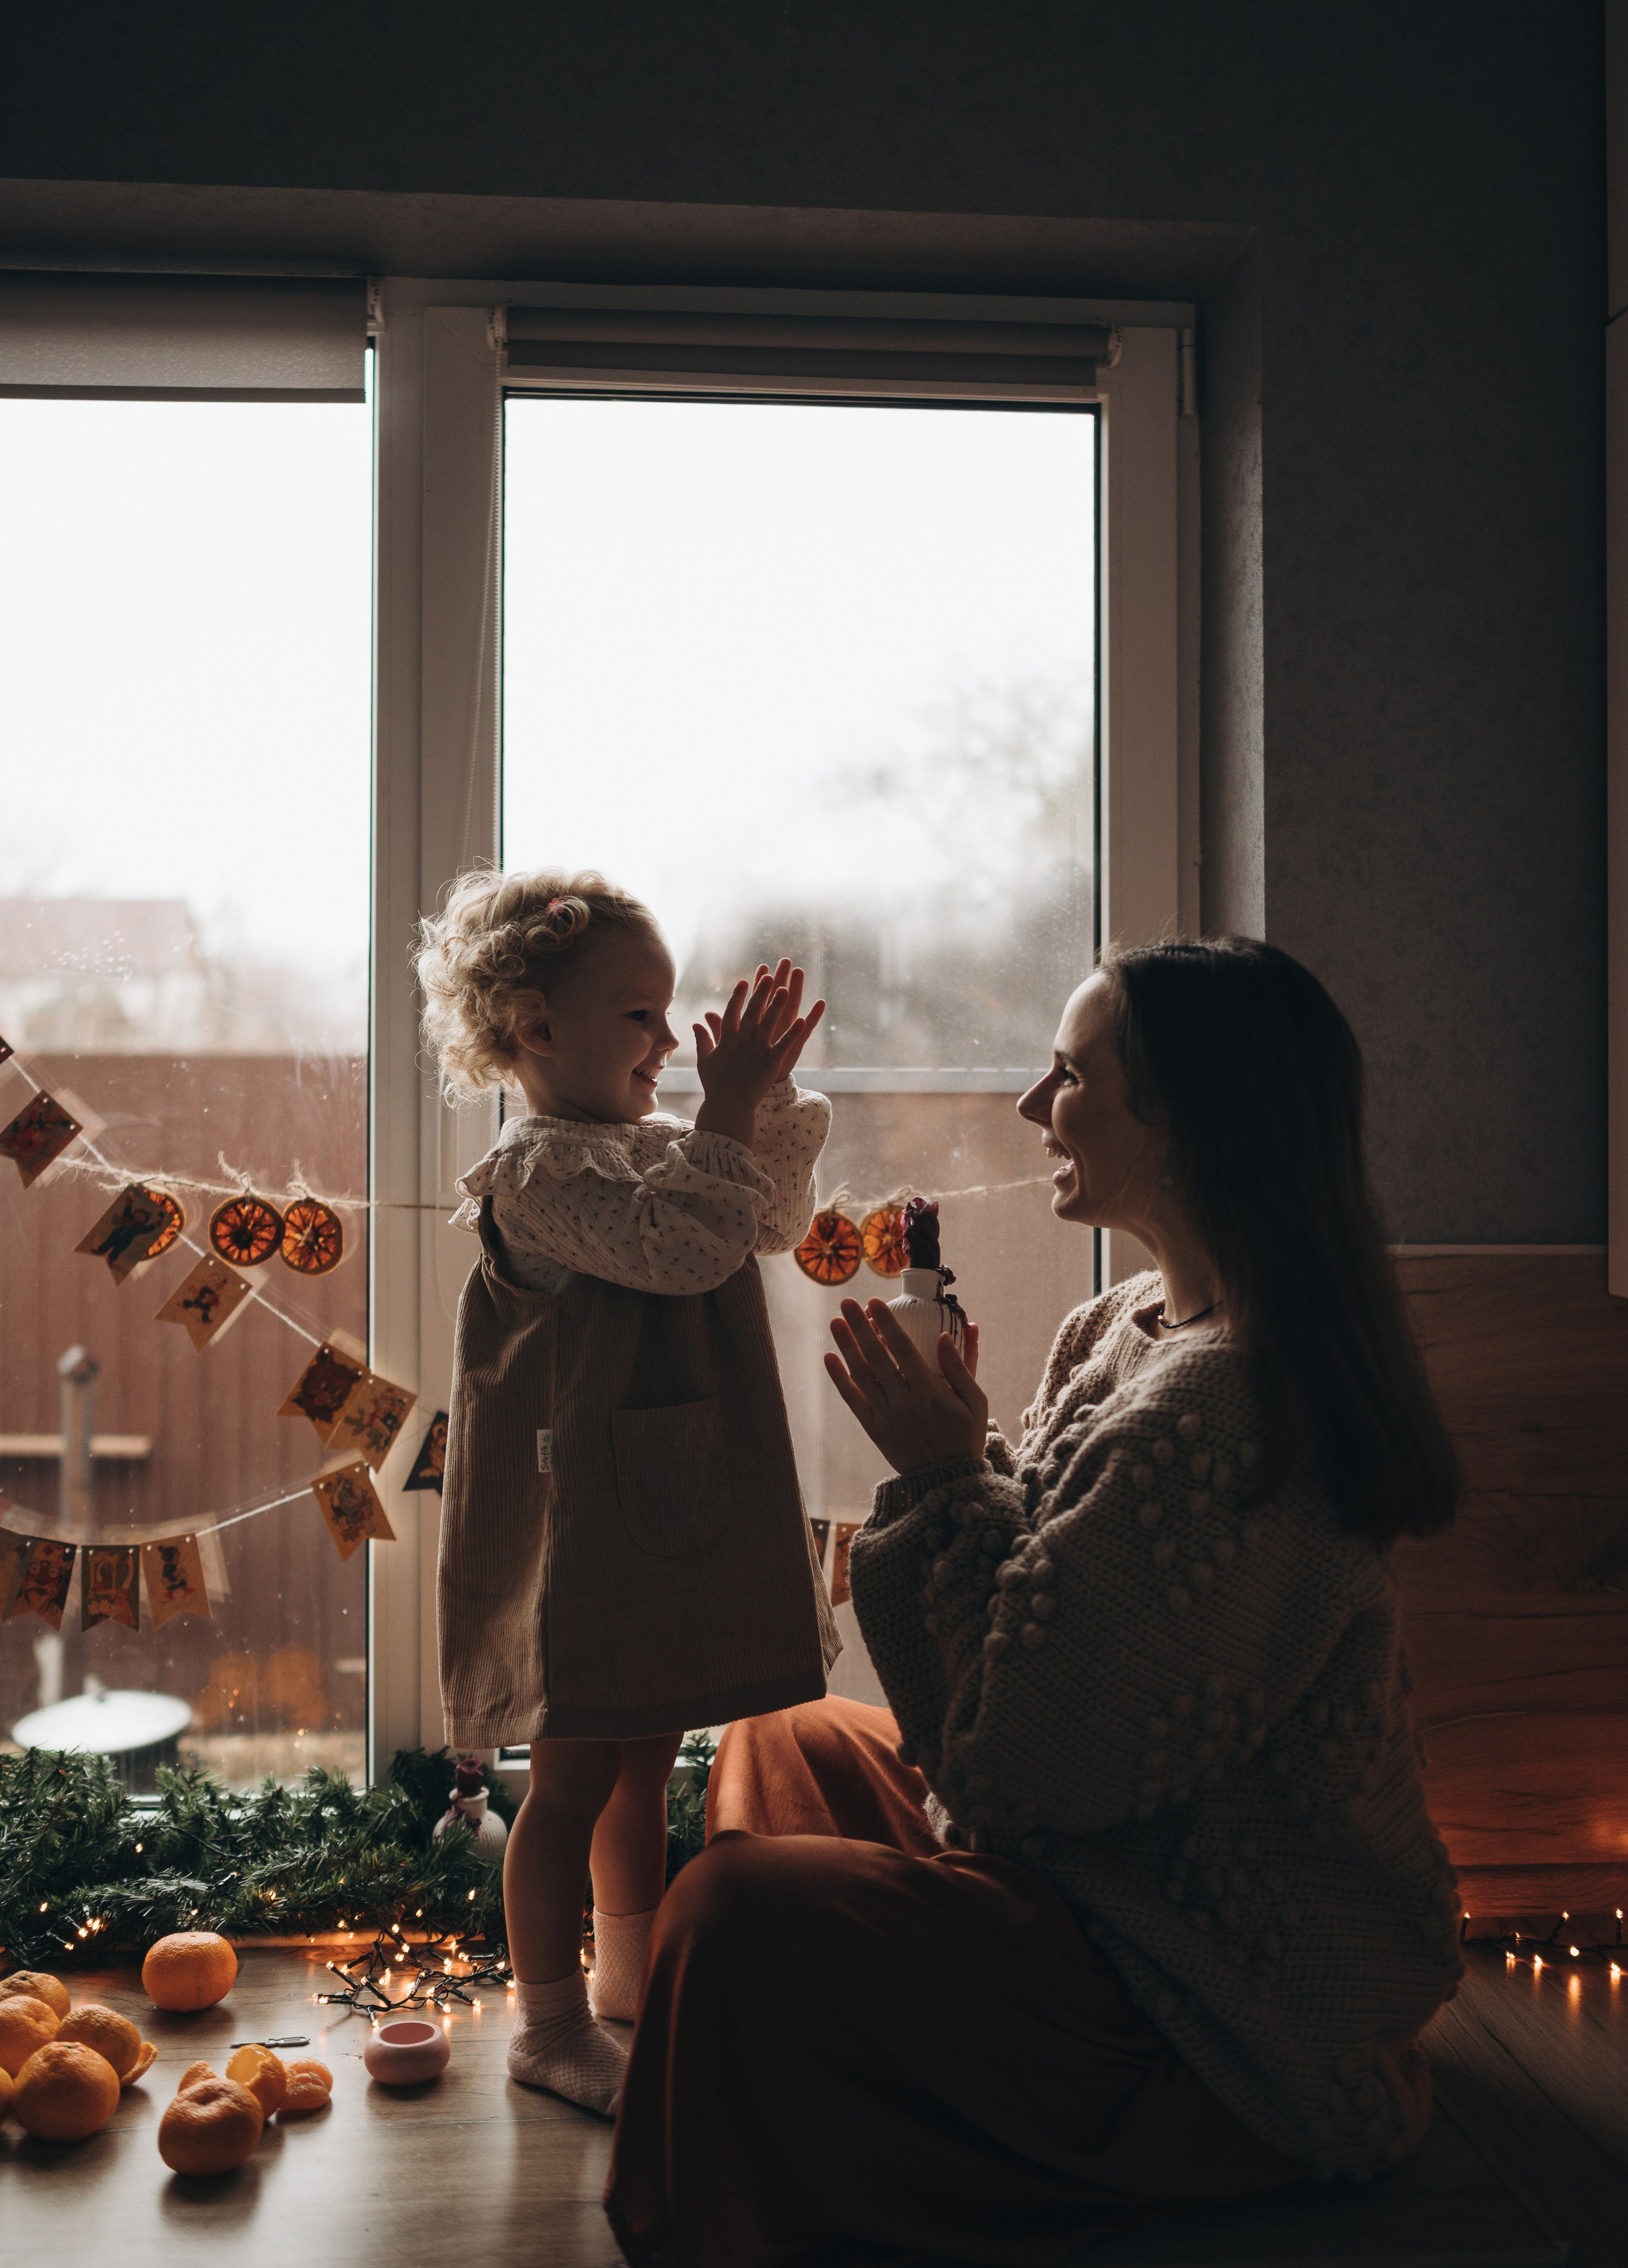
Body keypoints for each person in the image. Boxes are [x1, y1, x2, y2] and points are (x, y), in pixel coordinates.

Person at [607, 937, 1464, 2267]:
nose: (1028, 1107)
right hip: (1078, 1876)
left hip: (1202, 2004)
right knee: (783, 1733)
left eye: (1068, 1075)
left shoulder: (1233, 1402)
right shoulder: (1120, 1325)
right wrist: (968, 1466)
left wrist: (950, 1474)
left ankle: (804, 2165)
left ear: (1185, 1118)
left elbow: (1023, 1765)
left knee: (729, 1914)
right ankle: (861, 2094)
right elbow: (1045, 1601)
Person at [416, 867, 840, 2117]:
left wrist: (751, 1105)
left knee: (642, 1749)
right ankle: (546, 2025)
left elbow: (764, 1221)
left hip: (660, 1506)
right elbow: (688, 1242)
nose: (667, 1040)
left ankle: (627, 1973)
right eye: (637, 1018)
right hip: (583, 1529)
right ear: (536, 1029)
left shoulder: (642, 1146)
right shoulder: (538, 1172)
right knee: (569, 1776)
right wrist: (718, 1111)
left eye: (669, 1015)